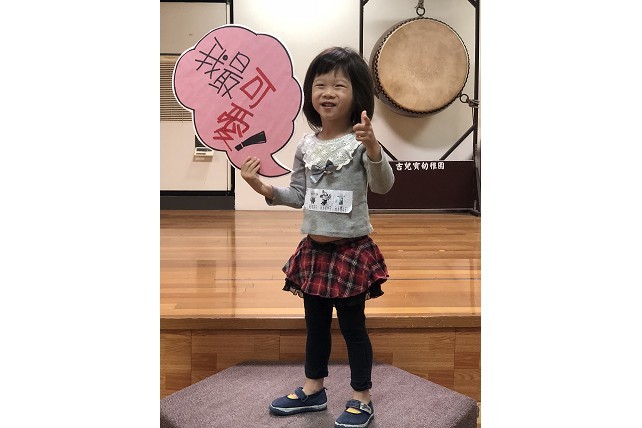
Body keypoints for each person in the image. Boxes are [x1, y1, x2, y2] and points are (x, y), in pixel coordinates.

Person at [240, 46, 395, 428]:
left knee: (354, 328)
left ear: (357, 94)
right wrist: (262, 187)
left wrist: (373, 147)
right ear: (310, 92)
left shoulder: (361, 142)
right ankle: (314, 389)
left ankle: (362, 397)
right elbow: (299, 195)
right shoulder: (306, 146)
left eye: (339, 85)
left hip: (351, 251)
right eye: (320, 84)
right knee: (315, 326)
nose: (328, 92)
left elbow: (383, 185)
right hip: (313, 251)